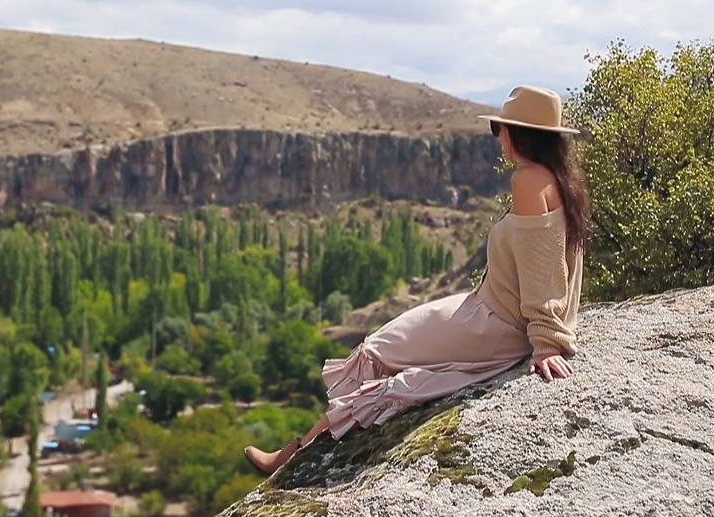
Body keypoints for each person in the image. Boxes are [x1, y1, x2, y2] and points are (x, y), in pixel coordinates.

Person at [244, 85, 590, 475]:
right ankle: (299, 449)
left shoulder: (527, 181)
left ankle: (293, 458)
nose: (498, 136)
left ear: (519, 133)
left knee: (380, 351)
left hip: (495, 323)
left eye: (499, 128)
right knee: (386, 347)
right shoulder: (560, 180)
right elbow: (559, 262)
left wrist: (546, 343)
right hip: (488, 309)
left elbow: (541, 265)